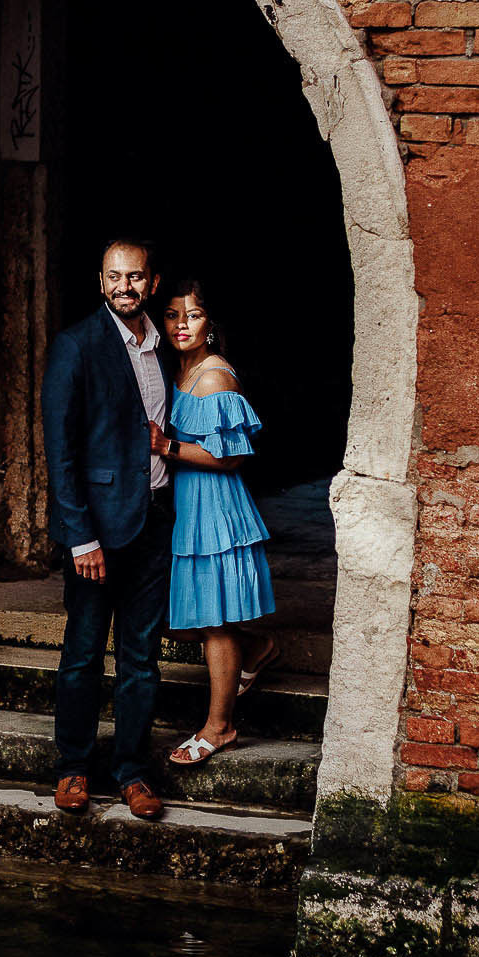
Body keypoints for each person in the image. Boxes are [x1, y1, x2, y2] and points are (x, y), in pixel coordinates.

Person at [40, 239, 175, 820]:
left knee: (142, 658)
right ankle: (73, 767)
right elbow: (61, 449)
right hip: (96, 531)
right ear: (101, 283)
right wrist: (80, 537)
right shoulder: (76, 346)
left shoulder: (165, 347)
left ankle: (132, 773)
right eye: (115, 277)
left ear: (152, 282)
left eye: (136, 277)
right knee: (83, 654)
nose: (125, 287)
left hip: (154, 520)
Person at [149, 280, 278, 767]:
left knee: (212, 623)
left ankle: (219, 728)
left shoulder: (213, 377)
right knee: (168, 617)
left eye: (195, 314)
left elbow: (231, 458)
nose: (182, 324)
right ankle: (258, 646)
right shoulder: (175, 370)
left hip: (213, 504)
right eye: (172, 315)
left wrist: (168, 448)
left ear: (211, 324)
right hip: (183, 504)